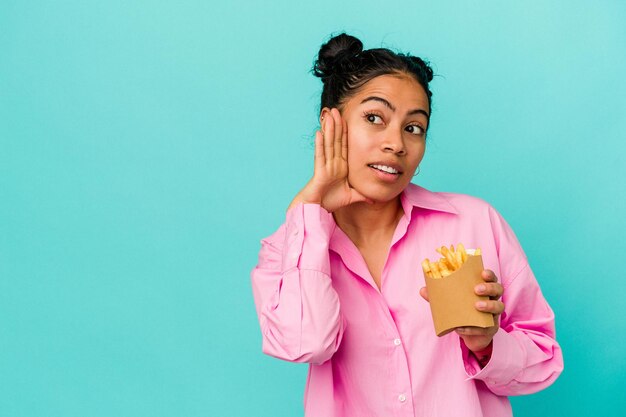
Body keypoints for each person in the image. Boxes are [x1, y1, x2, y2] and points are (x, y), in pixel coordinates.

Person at [251, 33, 563, 417]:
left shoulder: (474, 224)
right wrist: (308, 209)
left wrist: (486, 343)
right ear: (330, 122)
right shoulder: (288, 249)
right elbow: (307, 343)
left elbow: (544, 361)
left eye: (413, 127)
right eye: (374, 118)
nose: (396, 144)